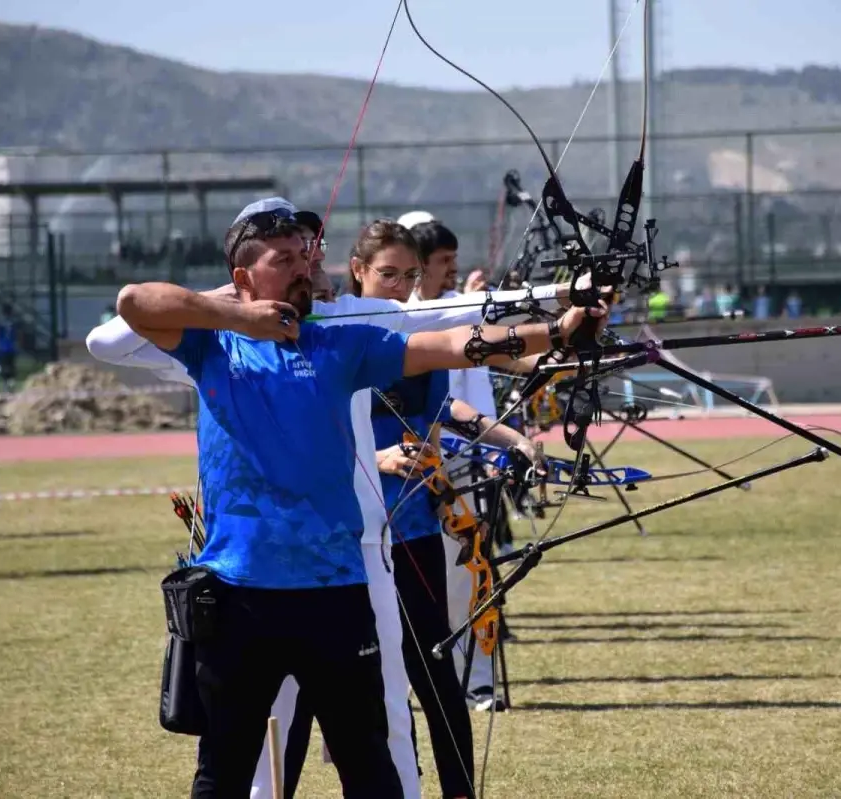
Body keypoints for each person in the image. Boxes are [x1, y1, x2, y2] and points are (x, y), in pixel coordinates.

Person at [96, 199, 594, 798]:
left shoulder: (339, 344)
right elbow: (134, 302)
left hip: (335, 592)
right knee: (223, 771)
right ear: (243, 278)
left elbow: (450, 341)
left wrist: (556, 330)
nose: (304, 269)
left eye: (305, 256)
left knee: (369, 766)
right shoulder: (211, 345)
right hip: (239, 595)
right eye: (284, 260)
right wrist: (239, 316)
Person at [351, 219, 541, 797]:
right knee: (360, 687)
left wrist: (511, 437)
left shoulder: (419, 340)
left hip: (412, 530)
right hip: (348, 539)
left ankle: (460, 789)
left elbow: (446, 409)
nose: (400, 287)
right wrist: (376, 457)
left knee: (435, 673)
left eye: (410, 276)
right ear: (358, 271)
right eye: (387, 274)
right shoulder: (335, 337)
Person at [405, 216, 512, 711]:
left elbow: (478, 389)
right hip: (411, 467)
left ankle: (478, 682)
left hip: (463, 464)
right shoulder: (397, 316)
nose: (452, 268)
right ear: (420, 265)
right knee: (415, 580)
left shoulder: (461, 308)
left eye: (453, 259)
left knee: (469, 574)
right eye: (443, 261)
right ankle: (414, 676)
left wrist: (492, 452)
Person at [0, 305, 18, 389]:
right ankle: (10, 381)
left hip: (2, 348)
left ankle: (6, 382)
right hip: (11, 348)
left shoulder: (0, 322)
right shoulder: (13, 322)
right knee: (10, 365)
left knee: (3, 366)